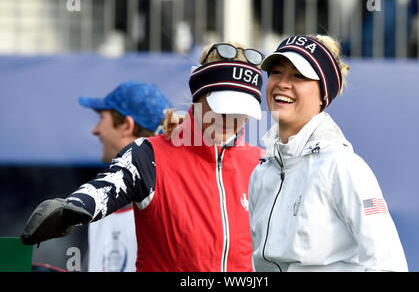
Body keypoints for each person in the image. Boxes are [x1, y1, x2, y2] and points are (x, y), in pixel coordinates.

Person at [21, 42, 265, 272]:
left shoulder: (263, 163)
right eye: (222, 105)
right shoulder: (148, 154)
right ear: (199, 96)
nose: (230, 117)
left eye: (241, 109)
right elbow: (108, 186)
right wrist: (73, 207)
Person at [248, 34, 408, 272]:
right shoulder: (261, 173)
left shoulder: (343, 166)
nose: (282, 83)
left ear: (323, 96)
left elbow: (389, 265)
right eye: (276, 72)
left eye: (298, 76)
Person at [78, 81, 171, 271]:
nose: (95, 130)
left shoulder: (171, 208)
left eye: (102, 118)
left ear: (127, 126)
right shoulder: (101, 206)